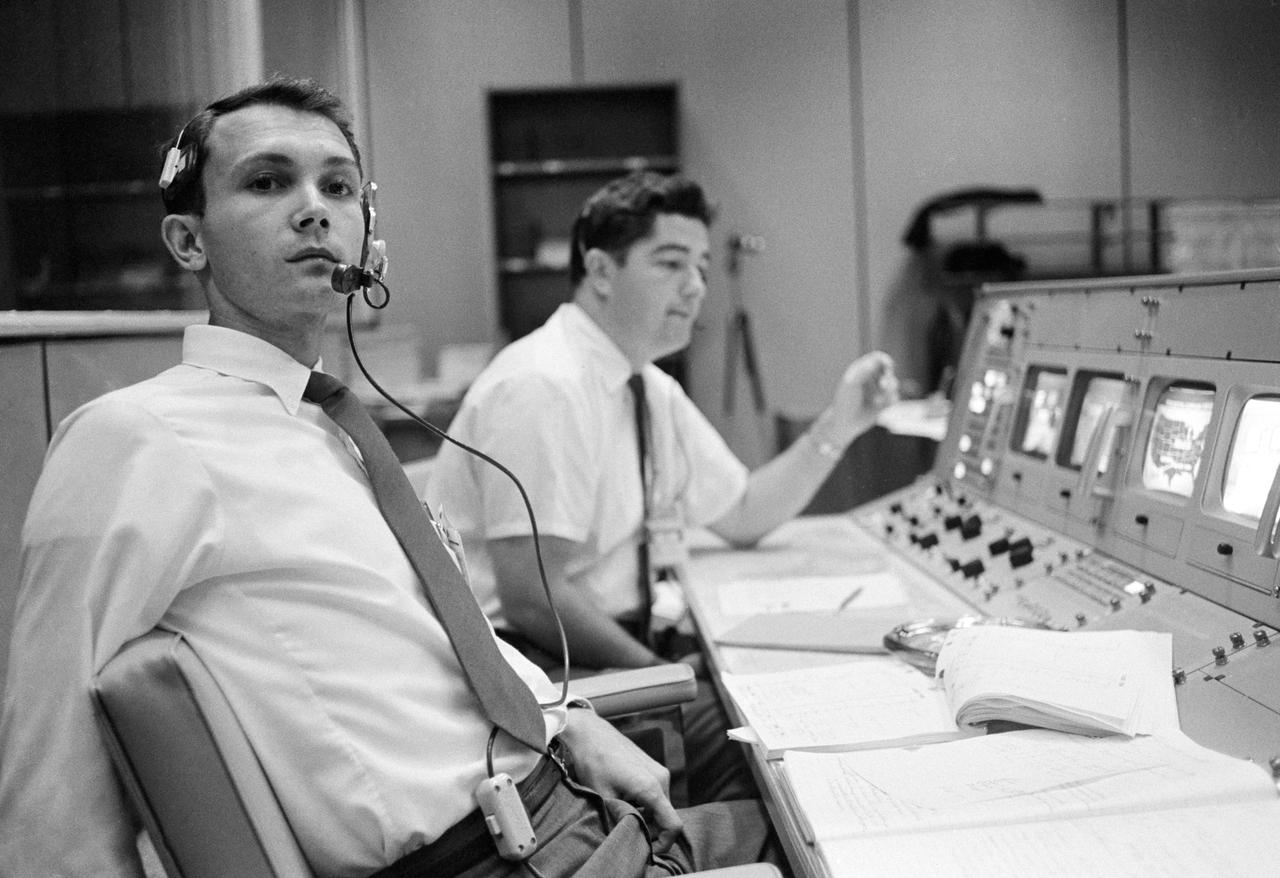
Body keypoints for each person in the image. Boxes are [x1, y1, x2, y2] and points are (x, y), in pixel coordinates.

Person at [0, 78, 774, 878]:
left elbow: (431, 635)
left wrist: (563, 716)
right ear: (188, 242)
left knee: (810, 804)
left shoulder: (330, 427)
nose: (314, 208)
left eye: (337, 186)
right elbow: (48, 794)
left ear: (369, 240)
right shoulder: (136, 438)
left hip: (567, 804)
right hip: (501, 857)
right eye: (268, 182)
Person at [427, 171, 897, 801]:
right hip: (543, 679)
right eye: (671, 263)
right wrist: (659, 673)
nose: (696, 287)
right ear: (600, 270)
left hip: (607, 652)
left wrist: (838, 428)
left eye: (701, 267)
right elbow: (534, 598)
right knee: (771, 755)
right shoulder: (546, 387)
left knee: (799, 702)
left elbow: (745, 512)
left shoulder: (646, 386)